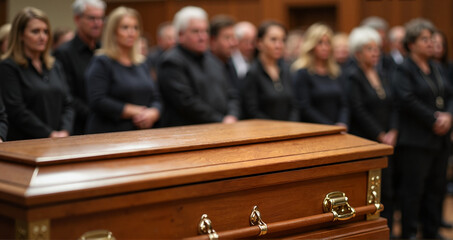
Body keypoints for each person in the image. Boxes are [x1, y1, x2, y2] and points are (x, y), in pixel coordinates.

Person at [393, 18, 453, 239]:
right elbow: (406, 99)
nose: (431, 43)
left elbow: (449, 95)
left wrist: (449, 116)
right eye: (424, 39)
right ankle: (409, 233)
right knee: (413, 191)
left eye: (431, 38)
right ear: (411, 44)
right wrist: (434, 119)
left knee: (436, 188)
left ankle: (431, 230)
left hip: (440, 138)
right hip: (415, 140)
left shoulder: (437, 67)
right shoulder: (403, 69)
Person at [347, 26, 398, 232]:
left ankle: (390, 231)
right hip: (367, 141)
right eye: (370, 48)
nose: (376, 52)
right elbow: (358, 110)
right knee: (371, 193)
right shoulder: (353, 76)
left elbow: (394, 104)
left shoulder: (382, 74)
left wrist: (393, 130)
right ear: (358, 53)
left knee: (390, 190)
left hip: (388, 141)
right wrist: (380, 134)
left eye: (377, 48)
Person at [0, 7, 74, 141]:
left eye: (45, 32)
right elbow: (16, 110)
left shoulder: (54, 65)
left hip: (59, 141)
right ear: (20, 35)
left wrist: (65, 131)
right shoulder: (8, 67)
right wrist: (49, 133)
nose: (42, 37)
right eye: (35, 31)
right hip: (26, 143)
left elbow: (68, 103)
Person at [158, 6, 240, 127]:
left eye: (205, 31)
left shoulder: (212, 59)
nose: (202, 37)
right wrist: (220, 120)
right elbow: (186, 102)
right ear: (180, 35)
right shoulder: (171, 61)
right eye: (196, 31)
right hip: (188, 133)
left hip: (222, 127)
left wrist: (232, 115)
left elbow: (231, 93)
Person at [85, 6, 161, 134]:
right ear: (113, 32)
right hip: (110, 133)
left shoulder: (142, 62)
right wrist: (135, 111)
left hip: (142, 133)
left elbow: (156, 97)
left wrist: (154, 112)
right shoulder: (102, 62)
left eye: (135, 28)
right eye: (125, 27)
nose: (131, 32)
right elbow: (98, 100)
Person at [54, 0, 105, 135]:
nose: (97, 23)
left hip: (107, 126)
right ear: (77, 19)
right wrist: (97, 115)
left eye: (100, 18)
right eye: (92, 18)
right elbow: (67, 96)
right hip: (79, 128)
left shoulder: (105, 50)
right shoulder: (63, 53)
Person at [292, 23, 349, 128]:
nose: (325, 47)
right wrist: (330, 127)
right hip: (314, 129)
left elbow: (344, 104)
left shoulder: (336, 72)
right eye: (320, 43)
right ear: (311, 45)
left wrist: (342, 123)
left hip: (339, 130)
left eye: (328, 43)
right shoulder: (303, 73)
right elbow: (305, 108)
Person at [241, 21, 297, 121]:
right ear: (259, 43)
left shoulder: (286, 69)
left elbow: (294, 105)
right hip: (265, 131)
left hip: (290, 130)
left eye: (282, 40)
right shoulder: (253, 73)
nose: (279, 45)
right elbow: (252, 111)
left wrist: (292, 126)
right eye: (273, 40)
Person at [209, 15, 240, 90]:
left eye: (234, 37)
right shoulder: (206, 67)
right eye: (227, 38)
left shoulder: (230, 62)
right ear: (213, 41)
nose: (233, 43)